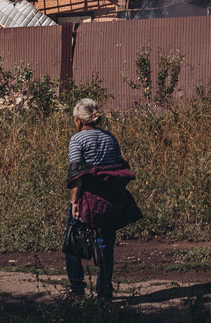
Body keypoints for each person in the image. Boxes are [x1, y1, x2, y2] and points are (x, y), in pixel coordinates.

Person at [63, 97, 141, 300]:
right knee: (105, 244)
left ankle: (77, 291)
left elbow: (76, 176)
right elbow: (118, 167)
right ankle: (104, 292)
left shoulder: (77, 139)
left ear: (78, 120)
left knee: (73, 244)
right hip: (109, 200)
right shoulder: (111, 138)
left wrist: (74, 203)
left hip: (86, 199)